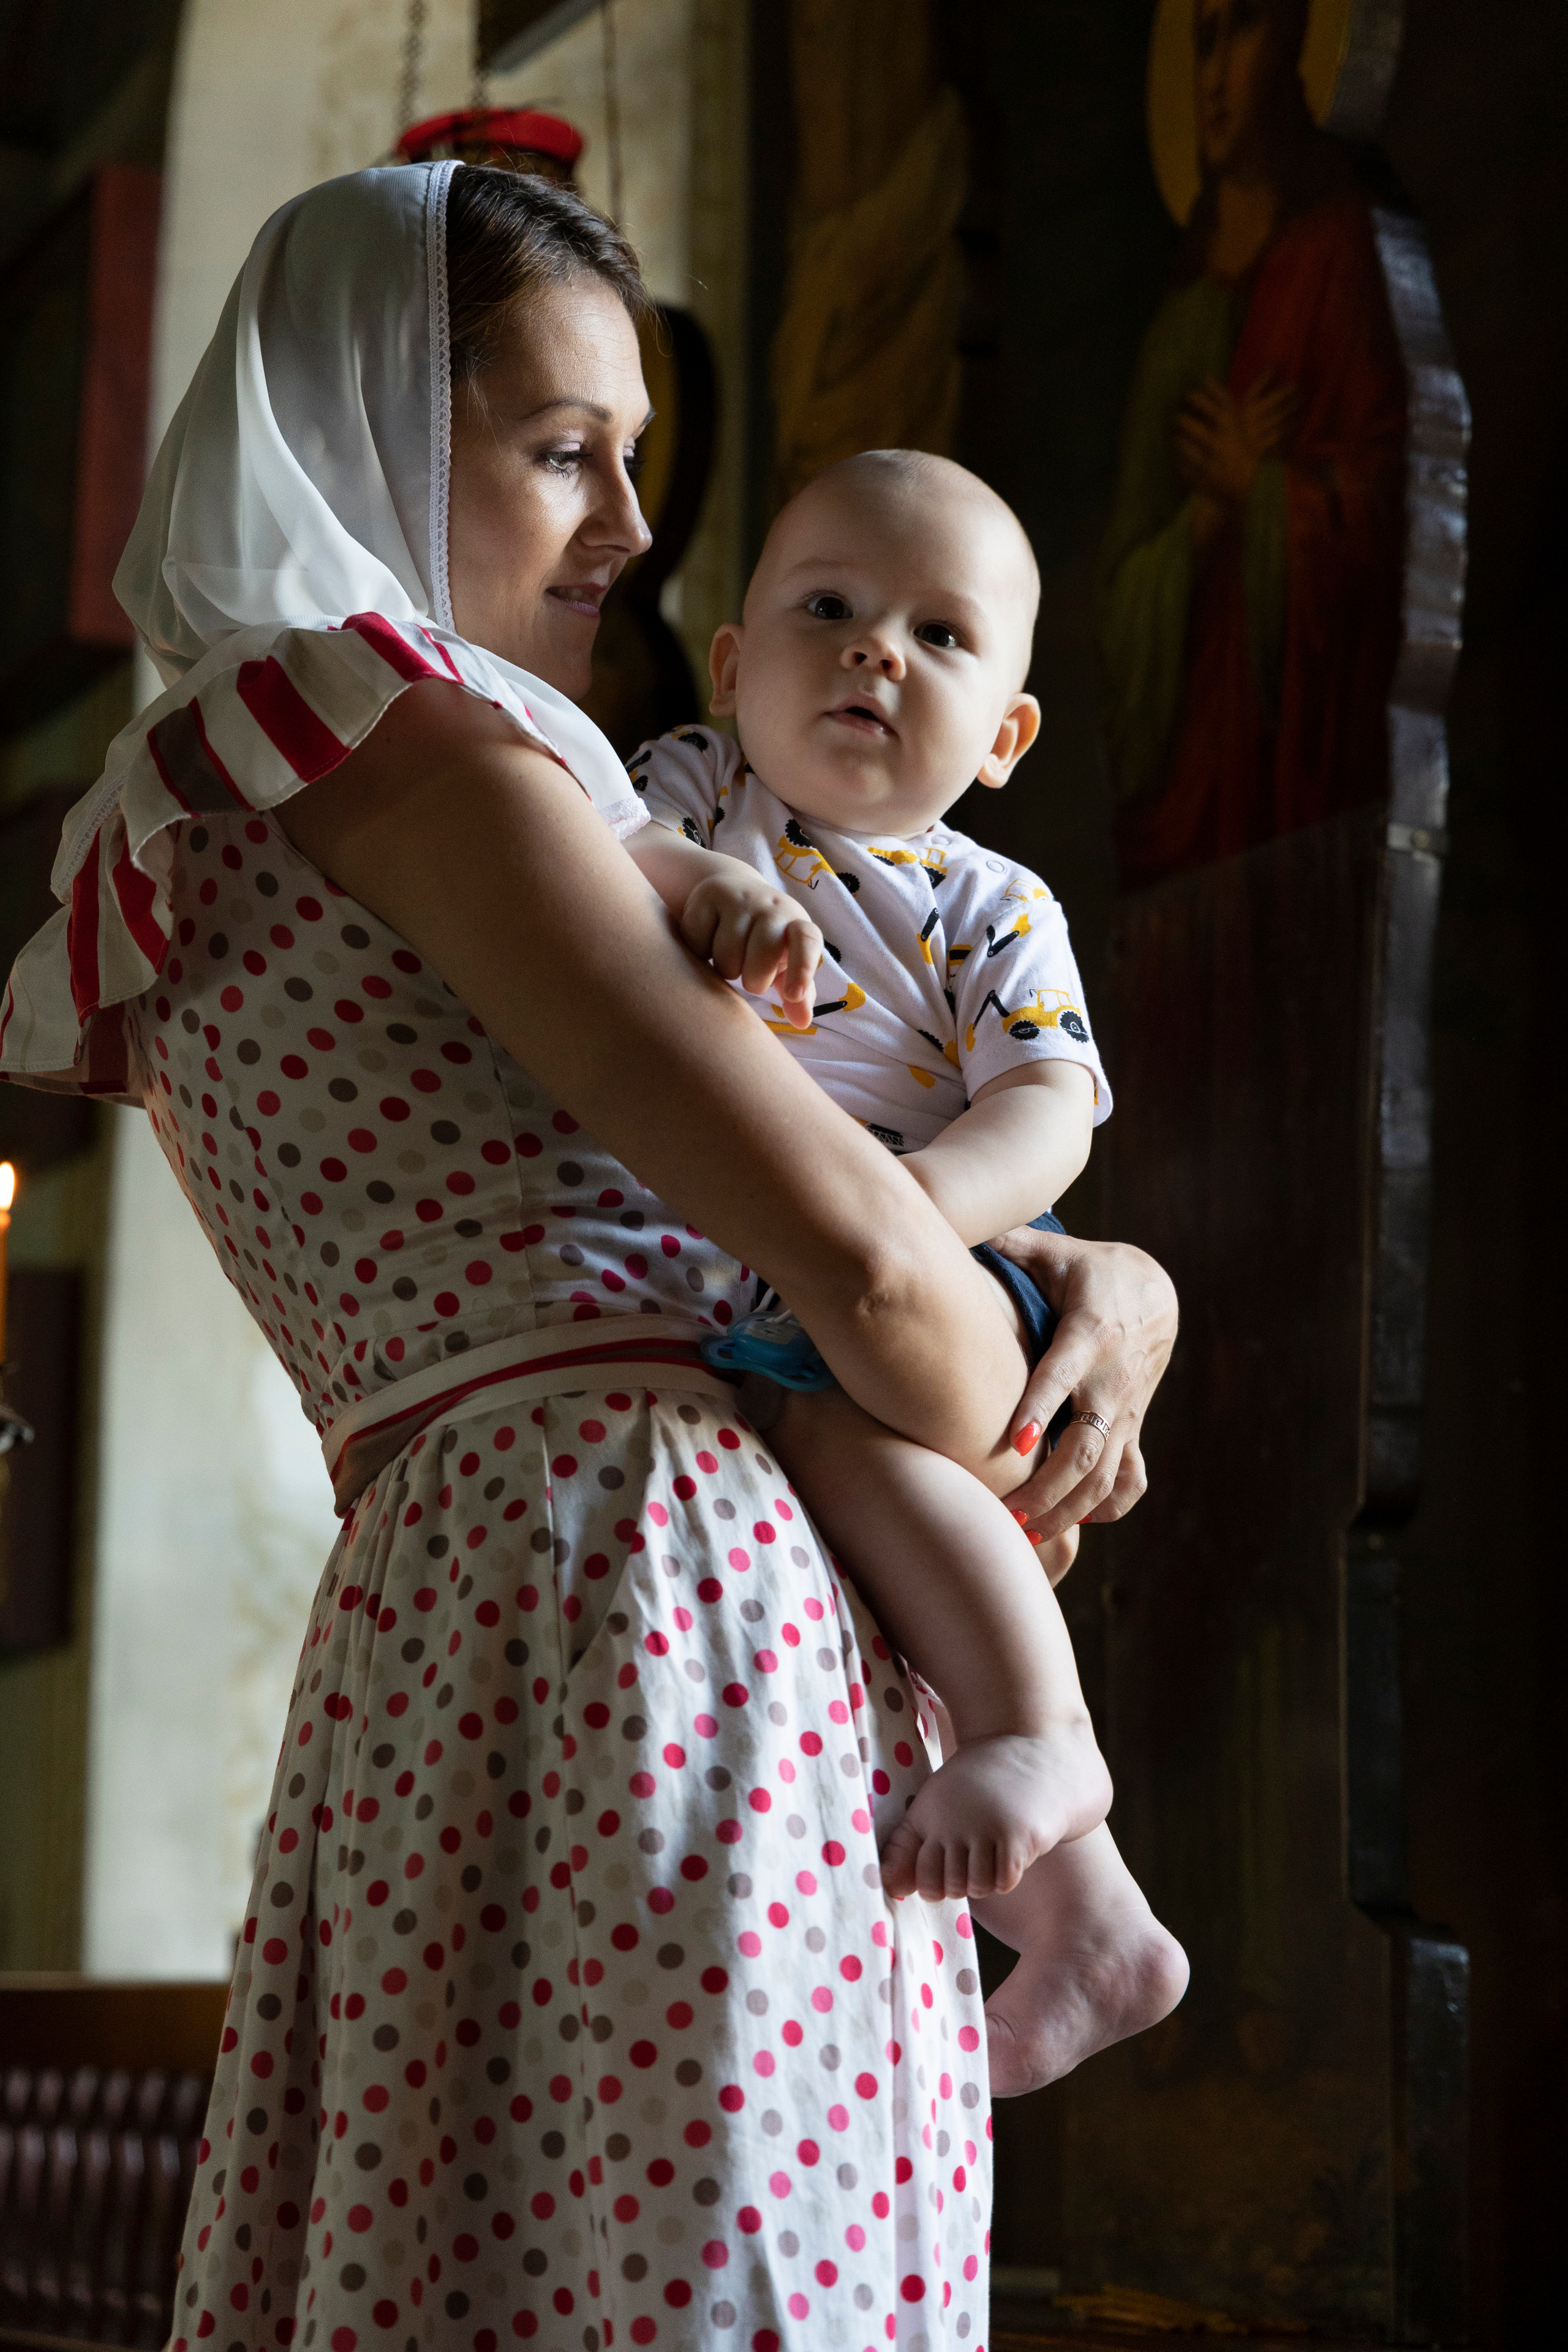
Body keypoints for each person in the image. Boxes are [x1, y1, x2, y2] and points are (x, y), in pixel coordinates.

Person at [1, 164, 1178, 2349]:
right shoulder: (401, 735)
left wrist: (1093, 1268)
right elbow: (884, 1305)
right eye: (563, 451)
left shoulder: (190, 806)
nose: (631, 527)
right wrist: (1067, 1321)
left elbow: (667, 1203)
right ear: (362, 424)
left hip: (454, 1620)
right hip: (655, 1600)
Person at [622, 448, 1188, 2094]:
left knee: (841, 1435)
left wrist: (910, 1212)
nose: (876, 649)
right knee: (873, 1575)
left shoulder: (990, 905)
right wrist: (703, 886)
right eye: (829, 608)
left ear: (1004, 735)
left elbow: (1051, 1103)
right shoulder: (696, 793)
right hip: (776, 1289)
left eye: (941, 636)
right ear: (733, 667)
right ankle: (1095, 1927)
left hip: (938, 1266)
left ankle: (1040, 1735)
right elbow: (602, 854)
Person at [1101, 0, 1406, 886]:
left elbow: (1394, 516)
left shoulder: (1341, 257)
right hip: (1191, 800)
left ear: (1296, 44)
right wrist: (1208, 517)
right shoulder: (1179, 327)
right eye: (1202, 43)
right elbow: (1121, 597)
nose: (1215, 78)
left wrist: (1261, 487)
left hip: (1303, 785)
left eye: (1241, 32)